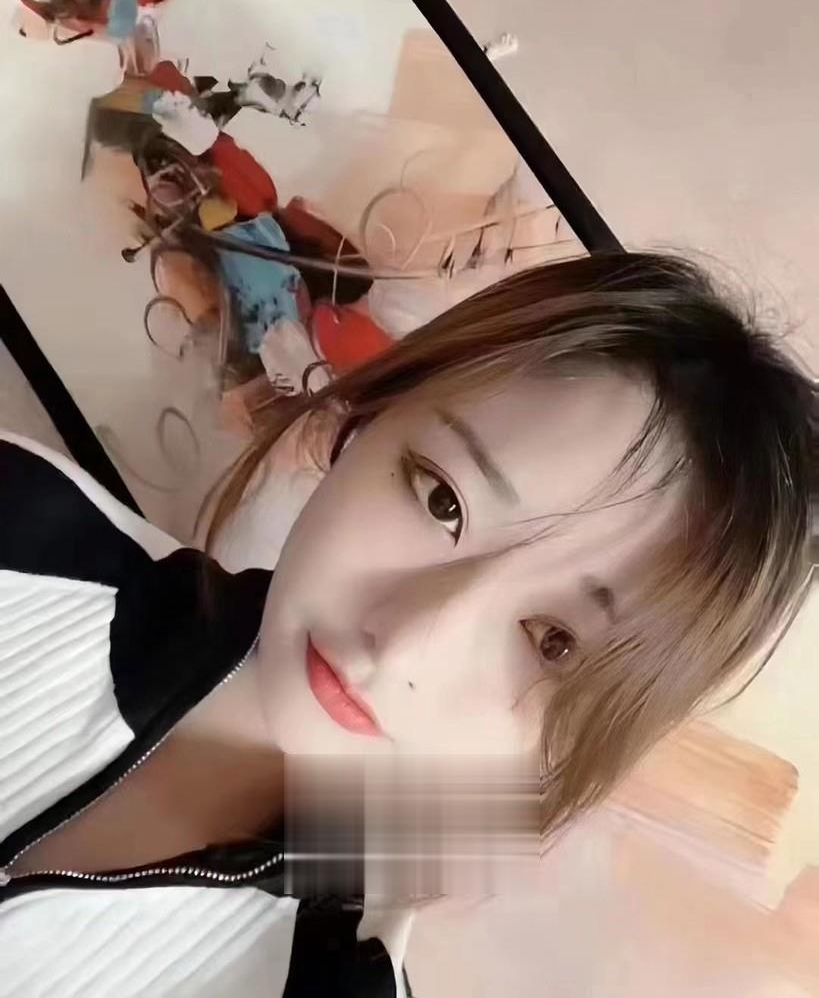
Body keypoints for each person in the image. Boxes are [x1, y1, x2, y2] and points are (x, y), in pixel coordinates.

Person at [0, 252, 813, 997]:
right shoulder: (22, 520)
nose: (403, 646)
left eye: (551, 643)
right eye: (441, 500)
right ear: (365, 419)